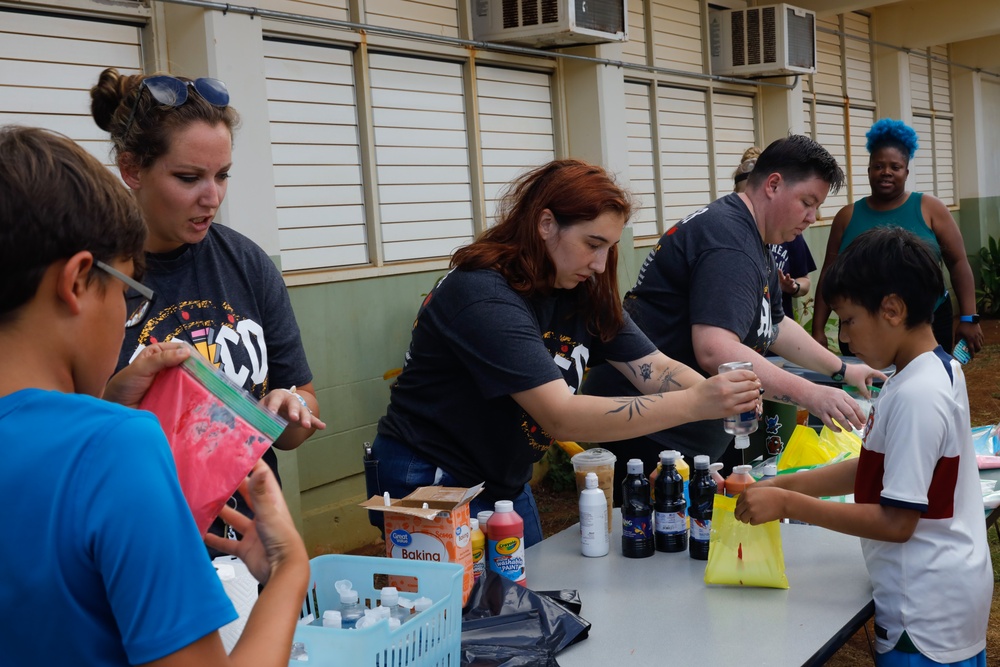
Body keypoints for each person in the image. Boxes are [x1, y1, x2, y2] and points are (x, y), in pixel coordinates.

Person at [0, 125, 309, 665]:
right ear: (76, 282)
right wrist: (289, 572)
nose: (210, 195)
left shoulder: (245, 261)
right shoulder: (115, 448)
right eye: (127, 294)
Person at [366, 159, 762, 546]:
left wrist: (725, 395)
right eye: (592, 244)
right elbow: (562, 417)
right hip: (430, 473)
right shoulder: (482, 294)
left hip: (501, 477)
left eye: (609, 247)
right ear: (545, 224)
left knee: (527, 597)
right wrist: (696, 403)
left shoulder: (580, 290)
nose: (600, 263)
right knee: (465, 609)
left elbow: (654, 368)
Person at [90, 68, 325, 548]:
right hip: (142, 548)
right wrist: (116, 397)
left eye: (222, 176)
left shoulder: (246, 263)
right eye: (188, 177)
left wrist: (288, 408)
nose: (212, 197)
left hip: (252, 544)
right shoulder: (94, 277)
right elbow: (55, 440)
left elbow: (298, 413)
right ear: (132, 169)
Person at [736, 226, 991, 667]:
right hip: (935, 590)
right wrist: (785, 486)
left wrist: (789, 506)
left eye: (849, 321)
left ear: (891, 309)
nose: (846, 340)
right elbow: (871, 467)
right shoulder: (922, 372)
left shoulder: (918, 395)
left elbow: (896, 522)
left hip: (926, 612)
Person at [582, 135, 885, 479]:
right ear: (773, 184)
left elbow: (776, 326)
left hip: (684, 428)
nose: (812, 217)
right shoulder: (731, 242)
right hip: (653, 433)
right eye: (807, 202)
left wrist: (842, 371)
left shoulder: (751, 234)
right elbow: (717, 350)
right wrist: (811, 394)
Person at [811, 118, 983, 359]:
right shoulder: (846, 217)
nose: (886, 173)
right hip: (862, 330)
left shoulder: (931, 209)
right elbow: (829, 274)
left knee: (925, 386)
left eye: (895, 166)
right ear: (869, 169)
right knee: (868, 392)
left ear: (907, 171)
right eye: (879, 166)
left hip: (927, 324)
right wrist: (818, 329)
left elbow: (958, 263)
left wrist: (969, 317)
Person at [735, 146, 817, 322]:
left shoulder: (788, 231)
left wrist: (792, 286)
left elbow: (805, 281)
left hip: (777, 330)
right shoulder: (731, 235)